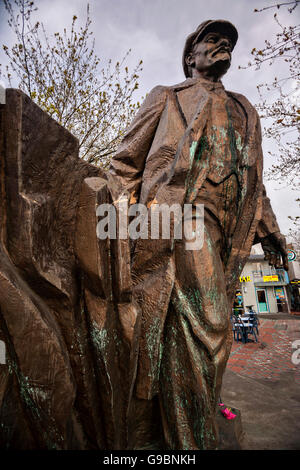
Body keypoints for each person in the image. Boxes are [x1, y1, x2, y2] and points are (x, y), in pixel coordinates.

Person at [108, 20, 288, 450]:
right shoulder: (167, 97)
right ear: (191, 57)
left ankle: (192, 413)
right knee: (207, 320)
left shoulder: (246, 109)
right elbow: (125, 165)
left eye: (226, 41)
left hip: (232, 230)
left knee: (212, 326)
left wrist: (271, 231)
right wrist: (120, 228)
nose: (222, 44)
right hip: (180, 217)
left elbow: (255, 179)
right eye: (211, 40)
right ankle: (191, 442)